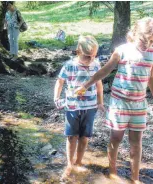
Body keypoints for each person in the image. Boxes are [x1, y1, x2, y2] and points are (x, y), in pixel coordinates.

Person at [74, 17, 153, 184]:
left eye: (152, 40)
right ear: (134, 34)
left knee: (136, 143)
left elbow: (152, 77)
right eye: (144, 39)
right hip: (119, 103)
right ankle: (112, 171)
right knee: (116, 138)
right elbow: (105, 71)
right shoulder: (122, 50)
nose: (147, 44)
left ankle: (134, 177)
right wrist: (86, 85)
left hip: (139, 104)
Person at [54, 35, 104, 180]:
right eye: (88, 57)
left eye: (94, 56)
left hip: (90, 107)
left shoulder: (96, 65)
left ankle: (79, 160)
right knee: (72, 136)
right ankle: (70, 163)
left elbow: (99, 85)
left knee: (84, 136)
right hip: (72, 106)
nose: (91, 60)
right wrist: (56, 98)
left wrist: (100, 102)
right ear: (78, 52)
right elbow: (60, 82)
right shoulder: (69, 65)